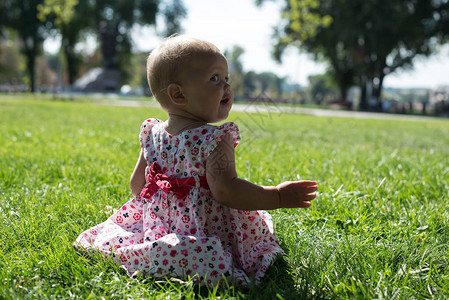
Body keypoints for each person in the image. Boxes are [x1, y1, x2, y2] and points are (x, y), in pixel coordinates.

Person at [74, 35, 318, 287]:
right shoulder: (215, 137)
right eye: (215, 78)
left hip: (160, 226)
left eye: (227, 79)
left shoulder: (152, 132)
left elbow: (137, 187)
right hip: (205, 226)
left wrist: (155, 210)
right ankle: (192, 256)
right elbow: (225, 190)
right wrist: (277, 196)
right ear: (178, 94)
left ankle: (158, 251)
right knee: (225, 250)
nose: (226, 87)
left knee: (142, 238)